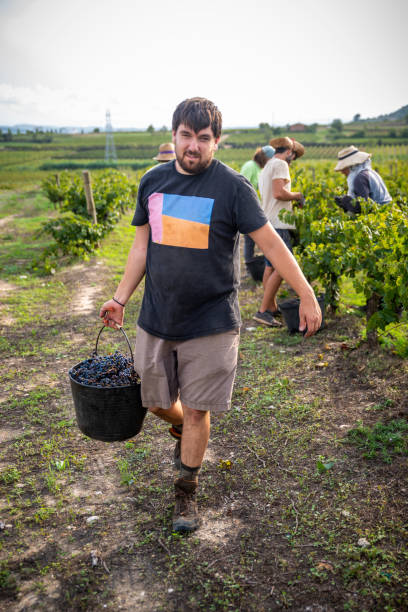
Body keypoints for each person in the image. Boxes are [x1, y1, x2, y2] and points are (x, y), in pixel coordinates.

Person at [99, 98, 321, 534]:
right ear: (175, 135)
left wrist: (307, 294)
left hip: (212, 322)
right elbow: (141, 248)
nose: (193, 147)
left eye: (204, 139)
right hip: (157, 317)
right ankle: (183, 427)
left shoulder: (232, 187)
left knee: (200, 411)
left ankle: (186, 493)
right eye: (186, 136)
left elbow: (273, 246)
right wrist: (121, 298)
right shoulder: (153, 182)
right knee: (158, 402)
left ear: (216, 141)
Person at [253, 136, 305, 326]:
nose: (293, 159)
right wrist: (298, 196)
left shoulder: (267, 165)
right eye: (294, 155)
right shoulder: (281, 165)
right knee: (284, 267)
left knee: (270, 266)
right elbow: (279, 193)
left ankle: (271, 307)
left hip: (267, 220)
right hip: (279, 222)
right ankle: (263, 310)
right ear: (289, 152)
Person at [240, 145, 275, 264]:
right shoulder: (250, 166)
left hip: (254, 207)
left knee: (253, 238)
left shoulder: (259, 168)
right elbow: (243, 187)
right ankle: (249, 264)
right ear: (266, 158)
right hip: (247, 207)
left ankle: (251, 263)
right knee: (250, 238)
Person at [334, 145, 392, 213]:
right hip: (387, 212)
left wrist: (345, 201)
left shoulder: (360, 179)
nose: (342, 172)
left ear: (352, 166)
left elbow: (363, 207)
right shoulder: (370, 172)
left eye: (343, 168)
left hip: (380, 215)